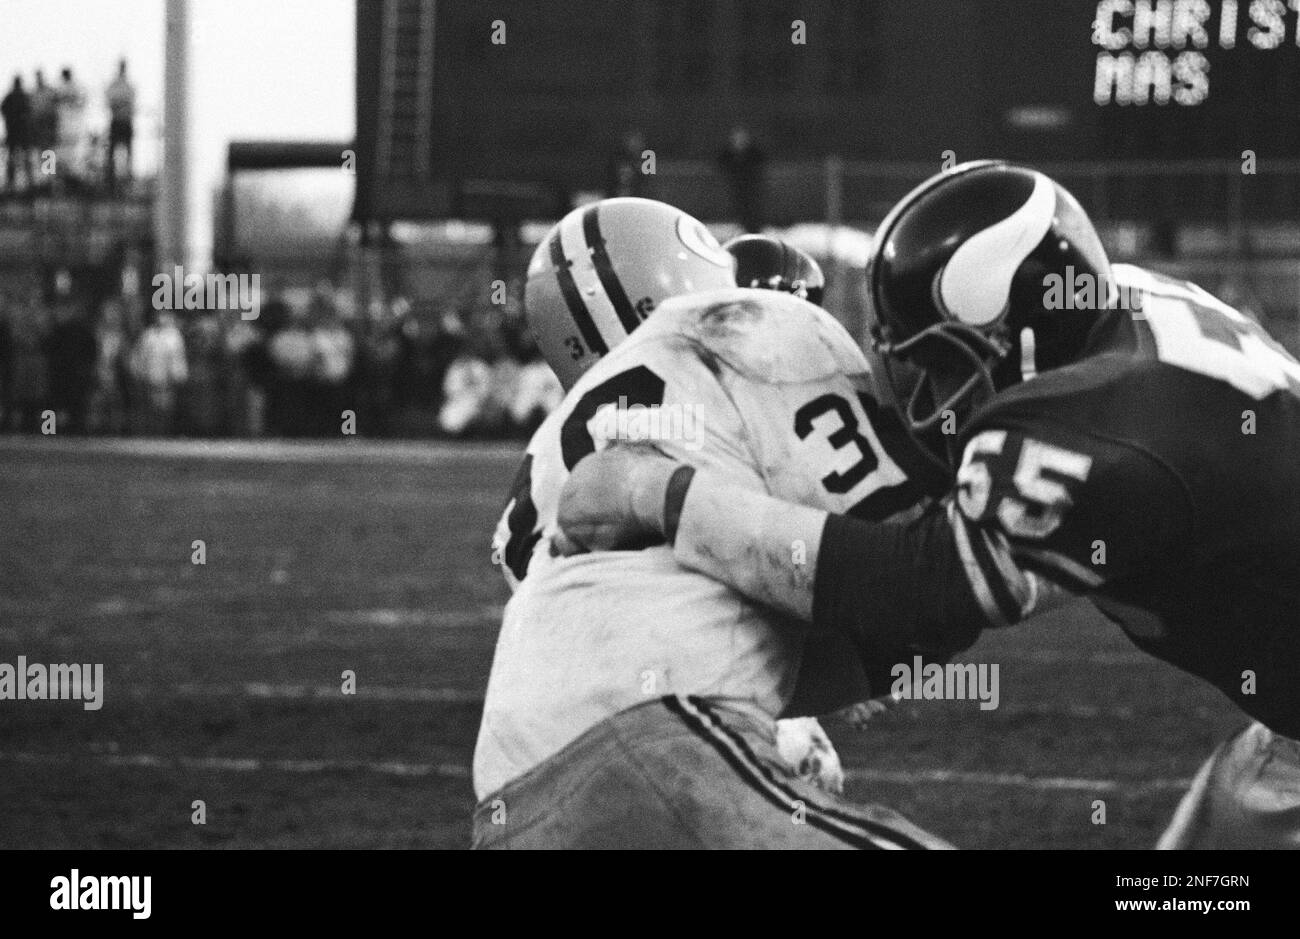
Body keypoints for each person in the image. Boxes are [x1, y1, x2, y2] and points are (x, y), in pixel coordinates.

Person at [557, 162, 1300, 849]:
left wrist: (656, 493)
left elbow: (924, 590)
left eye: (944, 364)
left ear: (1028, 335)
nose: (927, 401)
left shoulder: (1102, 427)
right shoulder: (1113, 324)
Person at [475, 197, 950, 849]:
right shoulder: (722, 351)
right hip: (677, 730)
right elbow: (893, 557)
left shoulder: (536, 473)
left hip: (515, 789)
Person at [128, 311, 188, 436]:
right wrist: (138, 372)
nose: (162, 318)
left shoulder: (174, 336)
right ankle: (150, 434)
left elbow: (178, 358)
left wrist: (178, 375)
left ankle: (165, 434)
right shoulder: (148, 335)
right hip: (149, 378)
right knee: (150, 409)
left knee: (166, 409)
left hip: (167, 380)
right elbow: (140, 356)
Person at [717, 126, 767, 233]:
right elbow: (721, 163)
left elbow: (760, 163)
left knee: (752, 209)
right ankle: (742, 228)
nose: (740, 140)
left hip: (751, 186)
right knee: (739, 209)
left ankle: (753, 229)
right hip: (735, 186)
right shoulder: (729, 153)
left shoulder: (753, 152)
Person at [105, 60, 135, 191]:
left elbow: (128, 102)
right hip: (117, 122)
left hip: (124, 122)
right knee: (47, 153)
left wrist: (119, 103)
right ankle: (47, 178)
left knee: (127, 152)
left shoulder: (127, 86)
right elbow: (111, 101)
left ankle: (125, 178)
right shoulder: (116, 85)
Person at [1, 75, 32, 192]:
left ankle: (12, 183)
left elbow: (3, 110)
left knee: (14, 158)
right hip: (21, 133)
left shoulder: (10, 97)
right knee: (23, 158)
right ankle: (28, 182)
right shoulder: (23, 97)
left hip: (15, 133)